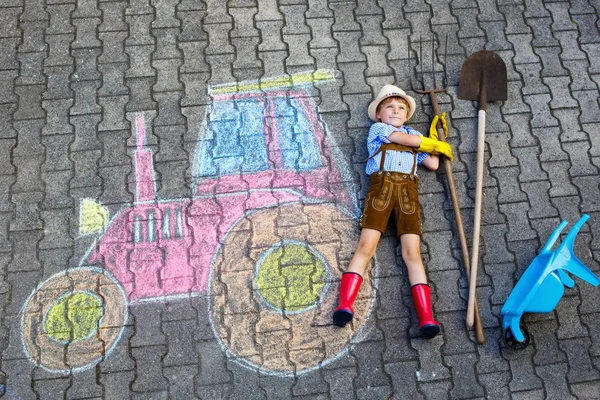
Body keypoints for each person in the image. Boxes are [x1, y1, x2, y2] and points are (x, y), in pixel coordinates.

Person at [332, 84, 453, 339]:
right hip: (381, 191)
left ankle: (427, 318)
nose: (395, 110)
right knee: (366, 247)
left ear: (407, 115)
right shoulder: (380, 130)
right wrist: (429, 143)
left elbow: (432, 164)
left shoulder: (414, 135)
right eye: (389, 107)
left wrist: (437, 141)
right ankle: (344, 305)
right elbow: (406, 141)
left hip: (409, 196)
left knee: (413, 254)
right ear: (379, 114)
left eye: (401, 108)